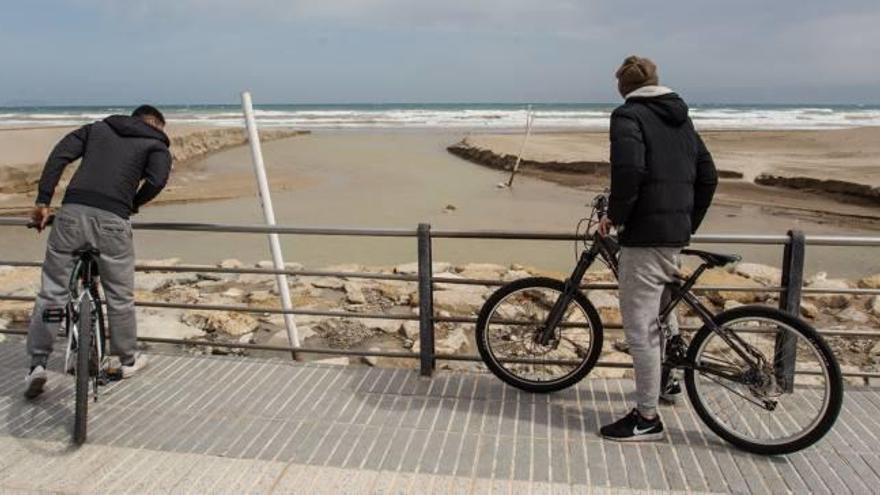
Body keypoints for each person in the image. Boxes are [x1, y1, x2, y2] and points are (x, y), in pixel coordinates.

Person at [597, 56, 718, 441]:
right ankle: (668, 384)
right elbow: (708, 176)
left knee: (641, 329)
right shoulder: (681, 117)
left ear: (623, 87)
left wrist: (614, 216)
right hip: (673, 235)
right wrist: (686, 223)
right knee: (664, 311)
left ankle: (646, 418)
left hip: (646, 237)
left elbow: (629, 170)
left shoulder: (627, 116)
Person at [24, 105, 172, 399]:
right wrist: (132, 204)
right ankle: (127, 360)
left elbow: (59, 156)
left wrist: (43, 201)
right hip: (114, 223)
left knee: (52, 292)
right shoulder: (156, 145)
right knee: (119, 296)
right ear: (156, 124)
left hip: (71, 216)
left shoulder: (96, 129)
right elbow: (157, 181)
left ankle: (38, 363)